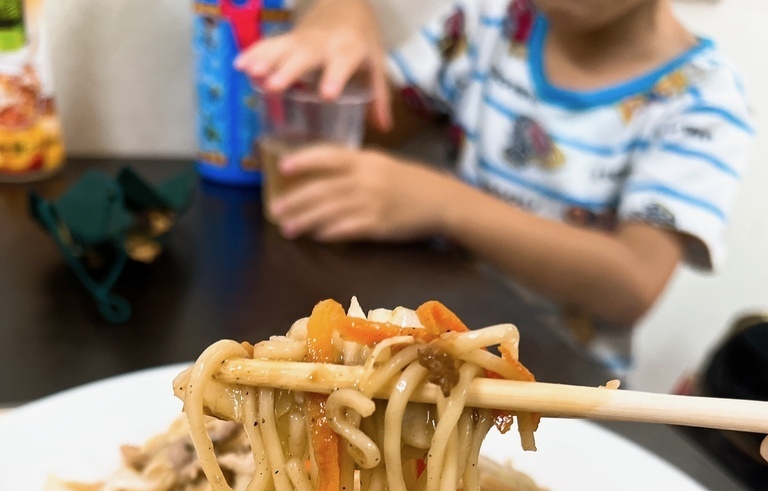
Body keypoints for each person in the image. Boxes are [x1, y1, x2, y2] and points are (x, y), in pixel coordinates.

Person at [235, 0, 754, 373]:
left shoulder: (702, 102)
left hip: (562, 378)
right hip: (426, 342)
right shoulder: (491, 21)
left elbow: (632, 284)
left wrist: (442, 204)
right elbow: (369, 126)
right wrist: (341, 18)